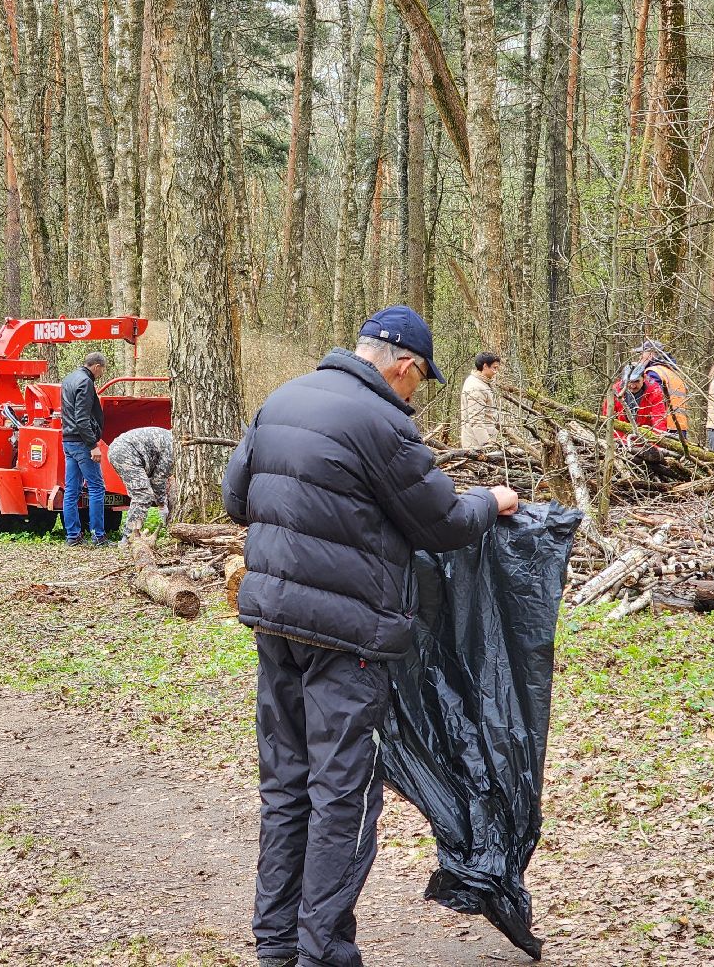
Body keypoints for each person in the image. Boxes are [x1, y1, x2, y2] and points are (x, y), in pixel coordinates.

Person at [222, 305, 518, 967]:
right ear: (404, 367)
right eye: (419, 381)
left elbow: (236, 498)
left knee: (286, 786)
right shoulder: (383, 423)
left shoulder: (282, 399)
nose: (415, 393)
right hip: (348, 638)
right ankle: (322, 953)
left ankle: (276, 949)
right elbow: (440, 522)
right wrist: (492, 502)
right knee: (342, 797)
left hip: (274, 623)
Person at [60, 351, 108, 545]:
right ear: (96, 366)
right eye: (102, 370)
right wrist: (93, 445)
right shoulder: (86, 382)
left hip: (68, 440)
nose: (101, 374)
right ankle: (98, 535)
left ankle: (73, 535)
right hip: (81, 442)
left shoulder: (69, 379)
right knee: (97, 487)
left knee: (71, 490)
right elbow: (81, 418)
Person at [106, 426, 175, 537]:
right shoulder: (173, 446)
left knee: (141, 495)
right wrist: (162, 505)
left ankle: (130, 535)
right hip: (125, 453)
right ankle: (128, 537)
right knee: (143, 496)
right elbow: (158, 480)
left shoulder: (169, 438)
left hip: (122, 450)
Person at [633, 340, 692, 450]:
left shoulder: (653, 372)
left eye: (642, 353)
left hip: (663, 426)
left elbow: (653, 401)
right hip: (679, 425)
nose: (640, 357)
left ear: (651, 354)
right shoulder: (671, 371)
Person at [604, 364, 670, 445]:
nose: (632, 386)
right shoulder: (615, 390)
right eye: (629, 382)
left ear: (644, 378)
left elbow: (659, 420)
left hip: (645, 438)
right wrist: (615, 441)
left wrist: (656, 444)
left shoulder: (654, 391)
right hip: (621, 439)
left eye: (637, 381)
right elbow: (607, 418)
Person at [460, 351, 504, 450]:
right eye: (494, 368)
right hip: (477, 445)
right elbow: (476, 420)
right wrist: (487, 444)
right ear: (485, 366)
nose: (496, 371)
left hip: (484, 440)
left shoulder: (482, 382)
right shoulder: (476, 387)